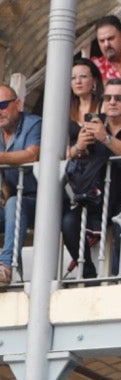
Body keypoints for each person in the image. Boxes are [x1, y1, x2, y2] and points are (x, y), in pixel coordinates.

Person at [62, 77, 121, 278]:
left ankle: (120, 276)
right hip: (97, 195)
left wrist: (105, 138)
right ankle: (88, 275)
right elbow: (73, 155)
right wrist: (79, 145)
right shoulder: (96, 122)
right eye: (108, 98)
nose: (112, 102)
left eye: (118, 98)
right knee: (70, 222)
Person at [0, 84, 42, 286]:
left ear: (18, 104)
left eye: (2, 105)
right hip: (9, 203)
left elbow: (32, 154)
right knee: (12, 204)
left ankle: (5, 268)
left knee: (15, 203)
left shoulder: (33, 124)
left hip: (40, 201)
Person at [68, 57, 103, 126]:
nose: (78, 81)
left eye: (83, 76)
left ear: (94, 81)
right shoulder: (66, 109)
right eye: (73, 78)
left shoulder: (104, 106)